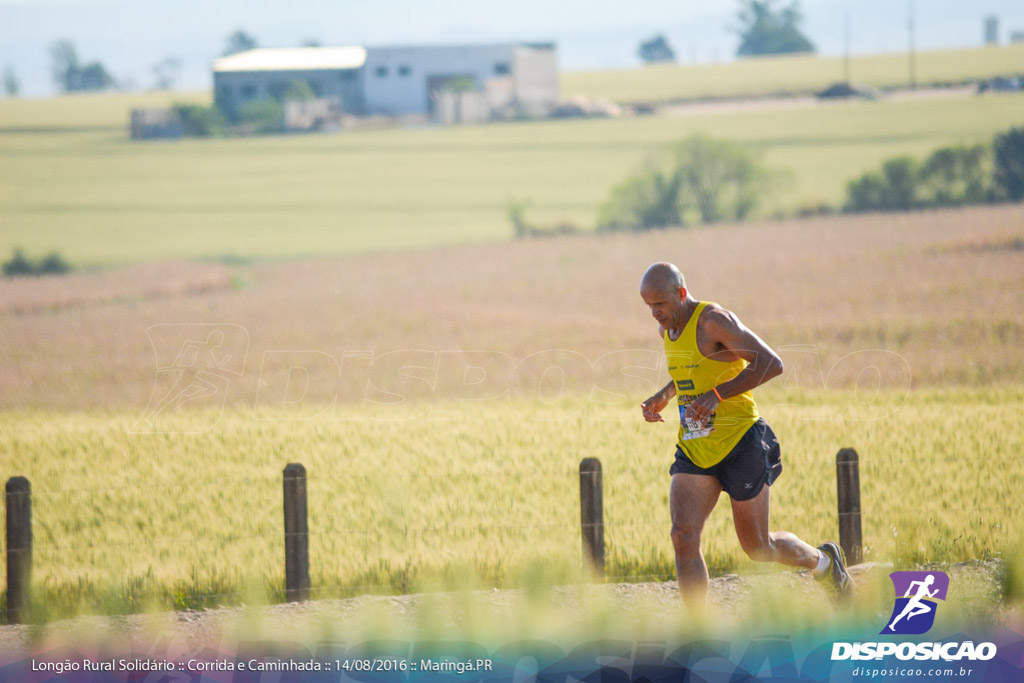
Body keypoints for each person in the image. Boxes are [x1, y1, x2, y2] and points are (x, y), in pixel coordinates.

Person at [638, 262, 852, 611]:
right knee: (683, 536)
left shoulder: (713, 321)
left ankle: (825, 564)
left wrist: (717, 395)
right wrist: (664, 396)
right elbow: (690, 373)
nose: (654, 313)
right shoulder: (668, 330)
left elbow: (771, 363)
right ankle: (697, 630)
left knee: (758, 548)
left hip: (742, 443)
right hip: (697, 445)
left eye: (659, 304)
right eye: (648, 306)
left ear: (680, 293)